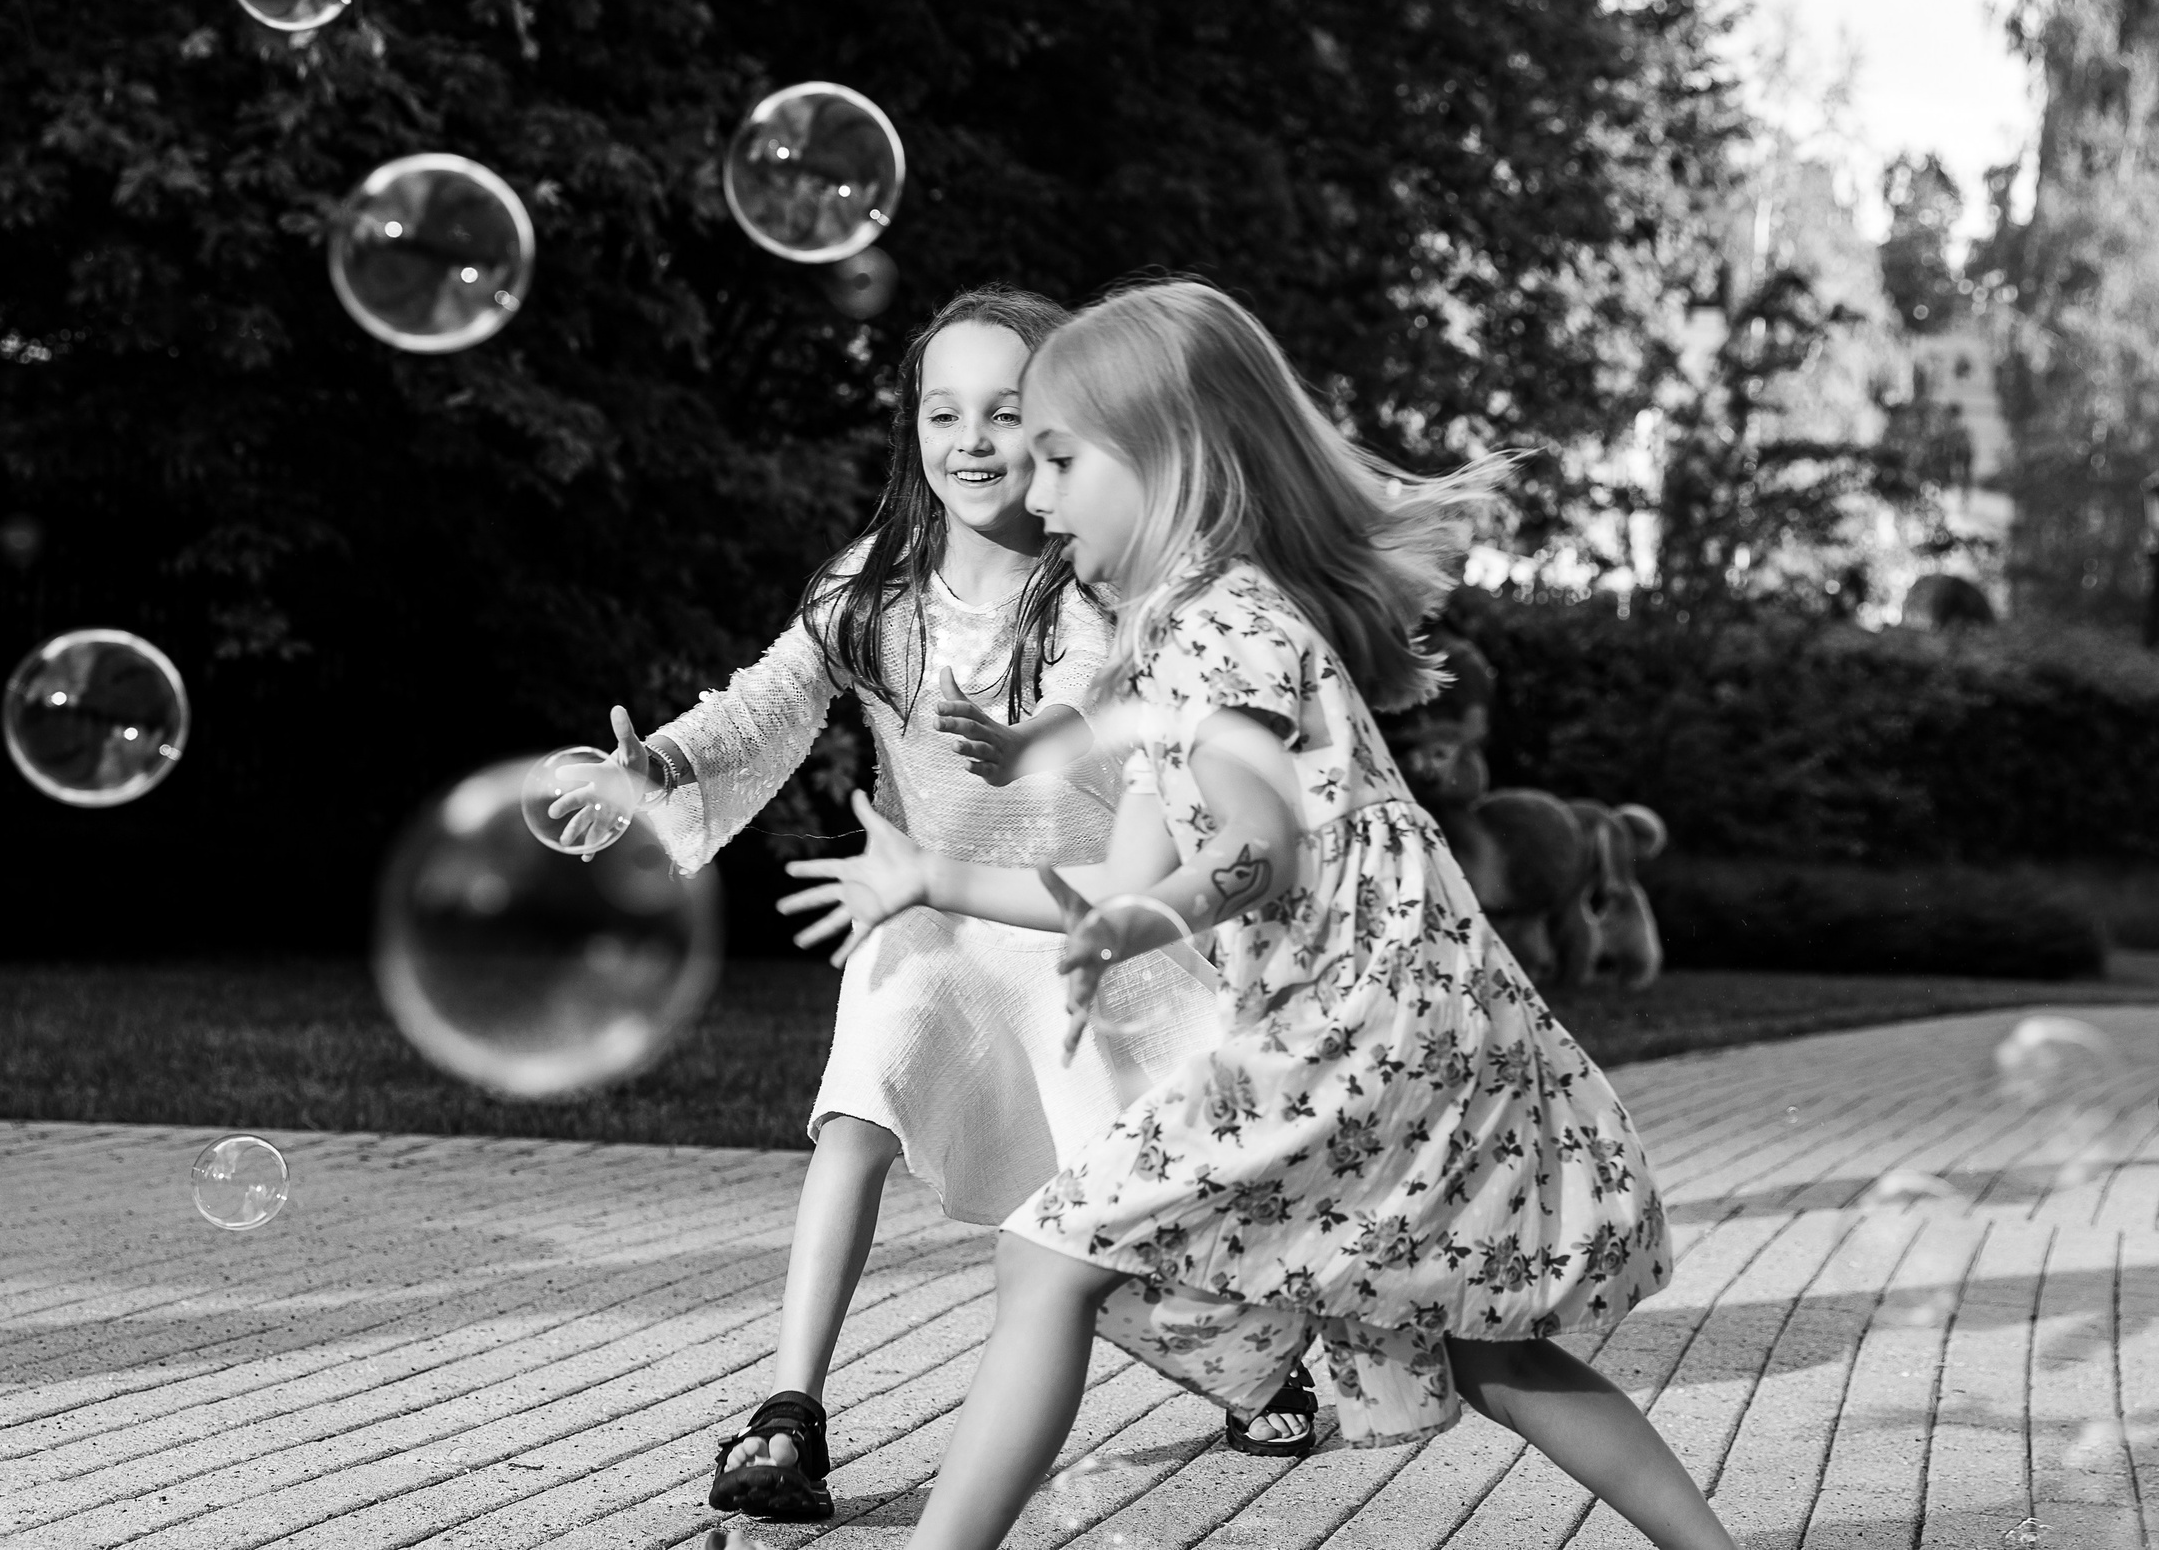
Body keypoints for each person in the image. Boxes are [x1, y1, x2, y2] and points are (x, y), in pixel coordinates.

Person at [779, 280, 1736, 1550]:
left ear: (1163, 460)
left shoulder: (1220, 627)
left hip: (1356, 1022)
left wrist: (1150, 912)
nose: (1041, 497)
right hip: (1398, 1019)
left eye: (1062, 459)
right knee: (1471, 1341)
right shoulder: (1177, 626)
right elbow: (1125, 880)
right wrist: (934, 879)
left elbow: (1256, 848)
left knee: (1050, 1257)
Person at [548, 286, 1313, 1526]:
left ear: (1065, 424)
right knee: (855, 1104)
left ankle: (1254, 1356)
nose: (969, 440)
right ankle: (786, 1417)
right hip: (932, 916)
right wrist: (654, 769)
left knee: (1109, 1222)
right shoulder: (873, 589)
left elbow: (1139, 772)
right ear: (910, 425)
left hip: (1092, 939)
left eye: (1005, 414)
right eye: (940, 410)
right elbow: (765, 704)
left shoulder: (1112, 587)